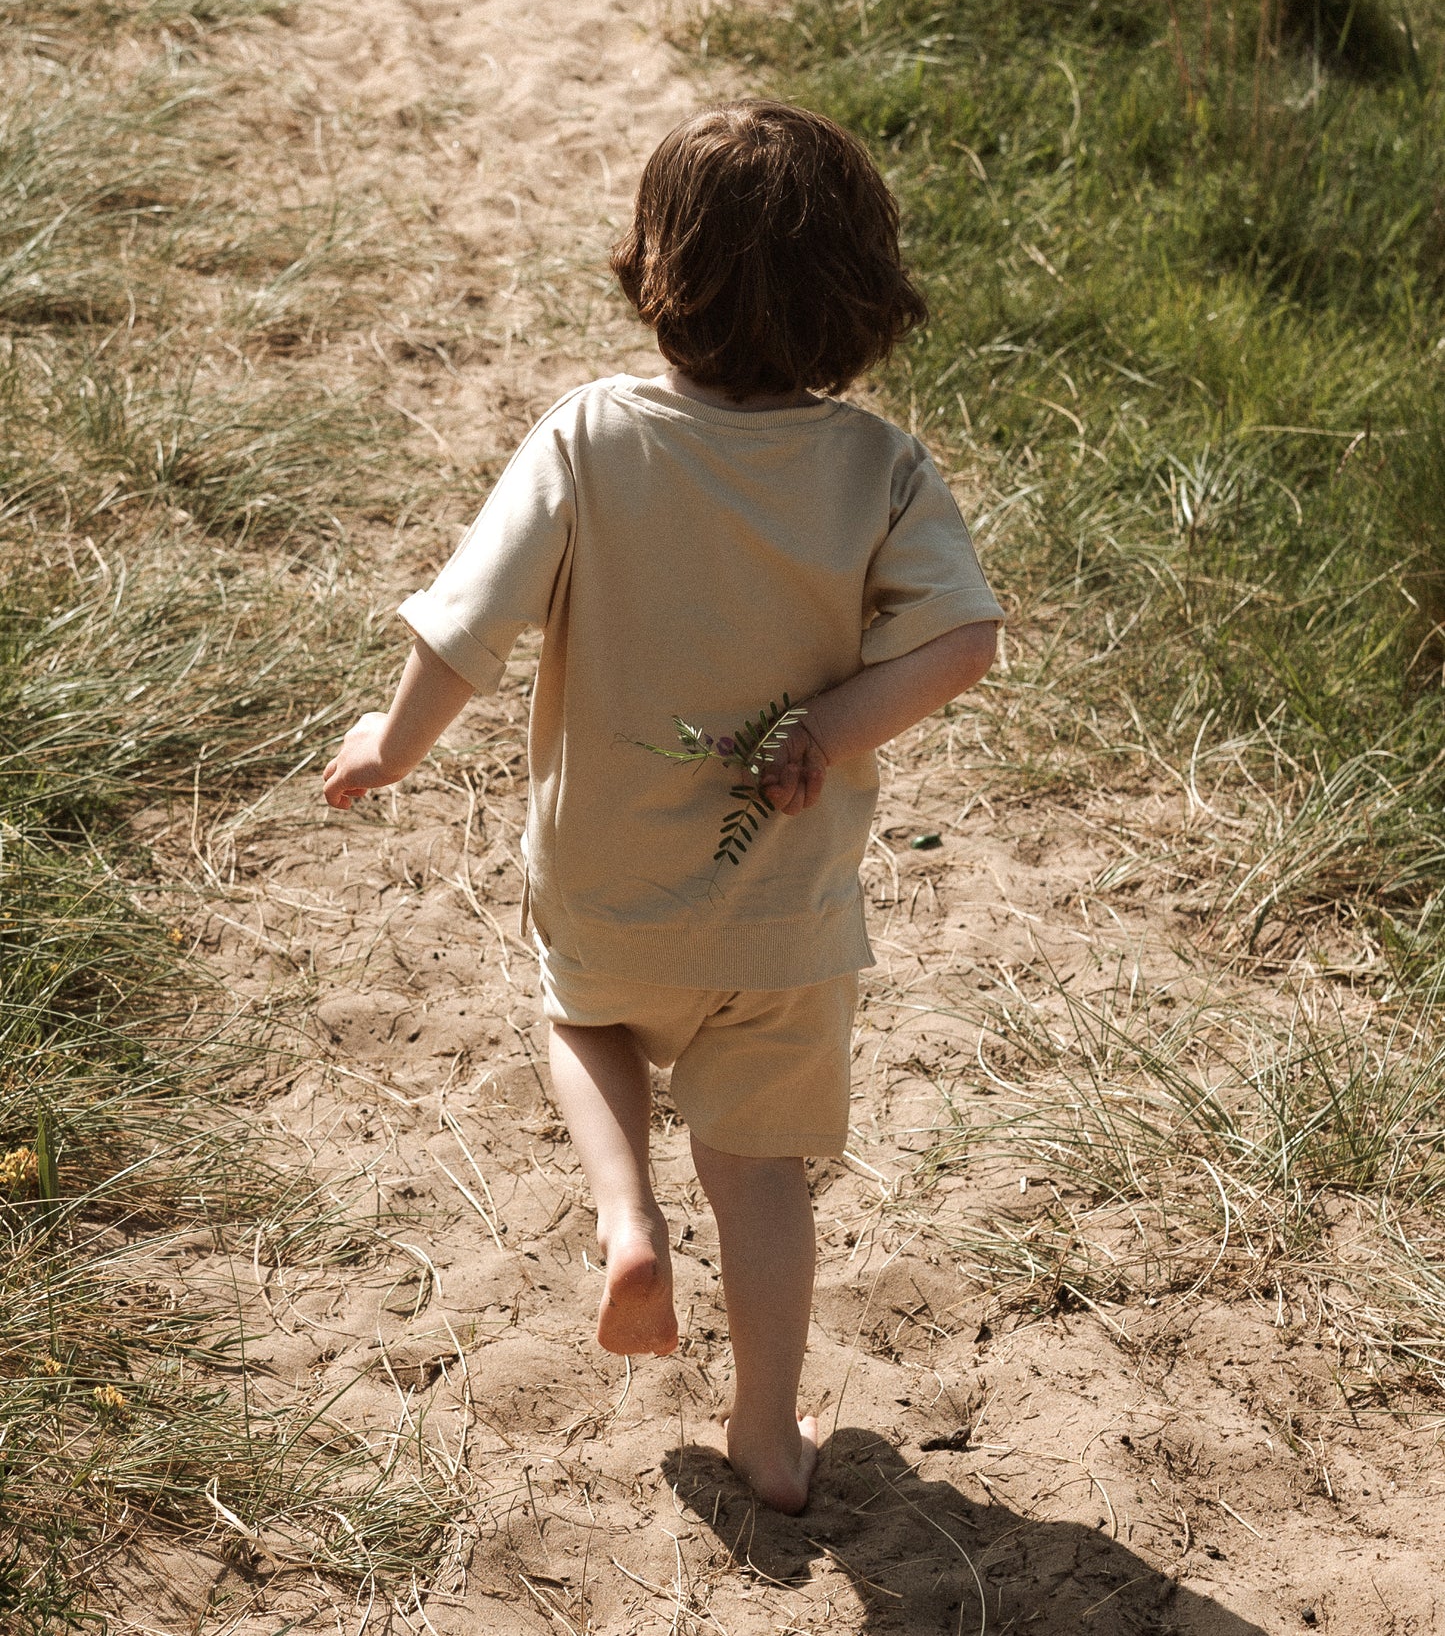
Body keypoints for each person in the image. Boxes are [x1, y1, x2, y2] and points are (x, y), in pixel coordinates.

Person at [322, 99, 1002, 1514]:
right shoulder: (876, 467)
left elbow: (466, 629)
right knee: (760, 1171)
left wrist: (389, 744)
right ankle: (766, 1435)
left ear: (653, 269)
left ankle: (626, 1217)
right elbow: (961, 641)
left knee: (581, 1017)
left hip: (609, 881)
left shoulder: (587, 438)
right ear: (862, 292)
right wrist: (825, 723)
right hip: (785, 911)